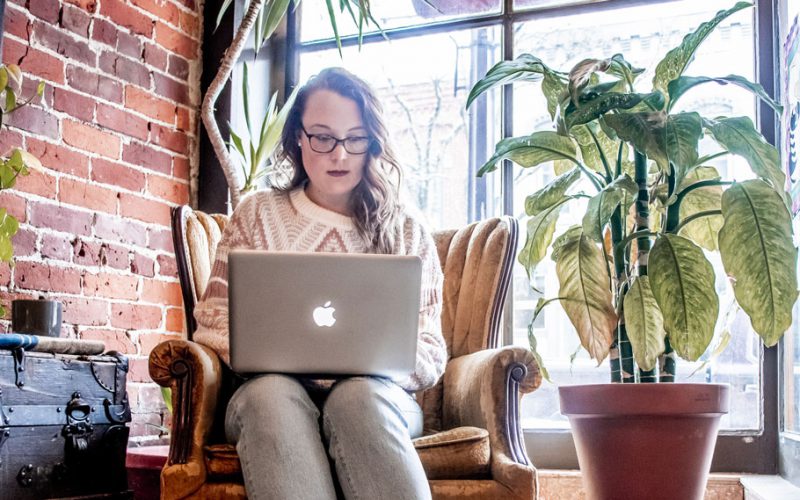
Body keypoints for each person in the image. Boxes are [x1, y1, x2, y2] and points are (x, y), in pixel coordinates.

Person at [193, 67, 446, 500]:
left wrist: (372, 364)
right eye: (323, 137)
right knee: (271, 396)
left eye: (356, 138)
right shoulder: (257, 215)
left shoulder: (407, 231)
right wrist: (278, 355)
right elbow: (213, 319)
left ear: (374, 142)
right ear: (298, 137)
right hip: (266, 393)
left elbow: (430, 347)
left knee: (357, 399)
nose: (340, 155)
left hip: (378, 398)